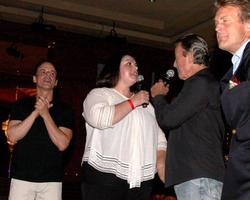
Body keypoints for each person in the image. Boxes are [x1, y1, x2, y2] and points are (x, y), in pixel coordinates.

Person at [81, 51, 167, 200]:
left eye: (136, 65)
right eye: (129, 63)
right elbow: (99, 118)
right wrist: (133, 102)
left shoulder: (146, 105)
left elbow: (159, 139)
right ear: (115, 69)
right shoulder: (99, 94)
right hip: (104, 176)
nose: (135, 67)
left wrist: (161, 163)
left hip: (140, 181)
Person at [151, 33, 225, 200]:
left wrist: (158, 96)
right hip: (197, 176)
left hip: (199, 177)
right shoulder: (202, 83)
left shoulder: (200, 82)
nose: (174, 64)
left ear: (190, 56)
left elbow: (168, 118)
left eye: (177, 57)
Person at [7, 60, 73, 200]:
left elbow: (62, 144)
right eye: (43, 71)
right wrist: (36, 113)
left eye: (52, 73)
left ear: (55, 82)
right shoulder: (21, 105)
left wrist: (45, 113)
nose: (48, 75)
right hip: (21, 178)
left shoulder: (65, 110)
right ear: (34, 78)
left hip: (51, 180)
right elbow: (12, 136)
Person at [214, 0, 250, 199]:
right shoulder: (233, 69)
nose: (217, 27)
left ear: (248, 25)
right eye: (216, 22)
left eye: (225, 21)